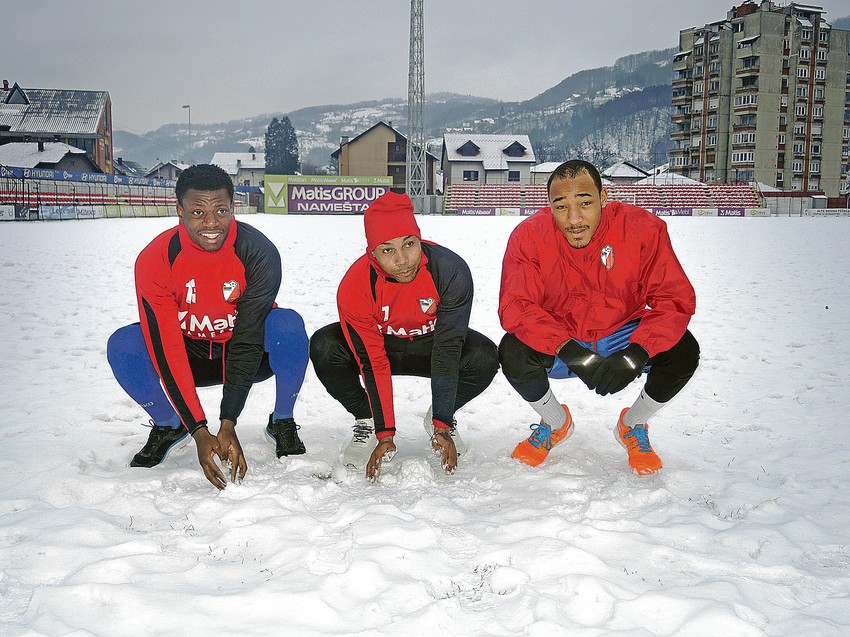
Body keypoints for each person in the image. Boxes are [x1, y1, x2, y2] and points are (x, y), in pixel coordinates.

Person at [107, 163, 309, 489]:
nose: (211, 222)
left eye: (221, 210)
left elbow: (247, 338)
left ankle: (282, 420)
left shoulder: (259, 252)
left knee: (288, 326)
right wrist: (198, 429)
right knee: (124, 345)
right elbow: (167, 347)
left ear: (233, 207)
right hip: (189, 352)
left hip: (242, 352)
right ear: (179, 211)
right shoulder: (156, 258)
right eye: (198, 212)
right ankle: (170, 424)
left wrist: (228, 422)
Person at [498, 159, 699, 475]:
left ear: (604, 198)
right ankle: (555, 423)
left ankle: (633, 424)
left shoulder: (642, 229)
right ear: (549, 206)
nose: (574, 218)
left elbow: (673, 300)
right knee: (512, 350)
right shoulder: (529, 236)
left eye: (585, 203)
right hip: (564, 336)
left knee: (684, 350)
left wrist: (637, 353)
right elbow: (518, 307)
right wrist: (570, 351)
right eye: (561, 206)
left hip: (622, 333)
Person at [309, 191, 498, 480]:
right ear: (372, 253)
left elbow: (448, 350)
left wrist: (442, 424)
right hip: (381, 344)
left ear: (419, 239)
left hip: (432, 345)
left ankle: (440, 411)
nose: (402, 260)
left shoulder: (450, 270)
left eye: (409, 244)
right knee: (324, 346)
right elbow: (372, 361)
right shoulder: (355, 285)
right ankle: (368, 419)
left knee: (485, 356)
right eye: (387, 251)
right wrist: (385, 433)